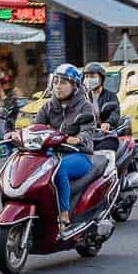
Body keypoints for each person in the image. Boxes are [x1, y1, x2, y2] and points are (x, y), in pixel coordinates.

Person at [28, 65, 96, 225]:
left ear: (74, 85)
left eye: (64, 82)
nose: (58, 86)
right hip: (51, 153)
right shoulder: (48, 107)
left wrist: (78, 138)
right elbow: (35, 127)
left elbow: (88, 131)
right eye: (56, 81)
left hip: (79, 154)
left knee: (59, 169)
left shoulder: (84, 106)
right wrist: (20, 134)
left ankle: (64, 213)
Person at [81, 62, 120, 131]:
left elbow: (115, 114)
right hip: (87, 134)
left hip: (106, 134)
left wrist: (108, 123)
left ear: (101, 78)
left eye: (92, 76)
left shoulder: (110, 96)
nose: (89, 79)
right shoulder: (83, 97)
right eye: (86, 76)